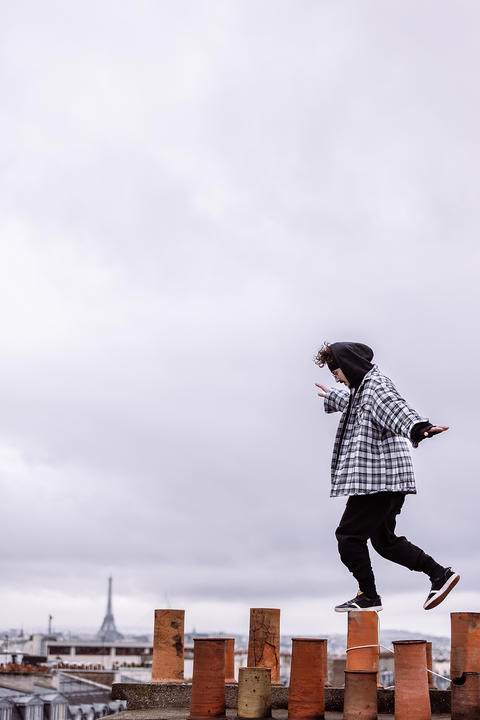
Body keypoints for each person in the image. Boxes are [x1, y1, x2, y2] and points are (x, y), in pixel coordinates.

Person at [314, 341, 459, 612]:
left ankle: (368, 596)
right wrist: (336, 396)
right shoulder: (364, 390)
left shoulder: (376, 386)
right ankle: (440, 574)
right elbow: (361, 404)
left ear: (349, 365)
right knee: (384, 542)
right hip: (388, 482)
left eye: (336, 372)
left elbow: (393, 407)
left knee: (348, 537)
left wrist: (419, 427)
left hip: (378, 482)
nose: (336, 377)